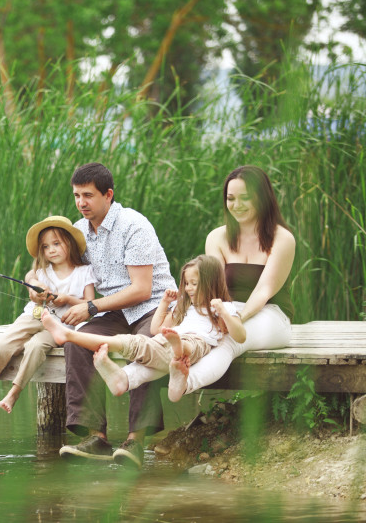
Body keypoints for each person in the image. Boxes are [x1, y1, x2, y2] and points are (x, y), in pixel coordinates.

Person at [28, 162, 176, 469]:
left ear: (108, 195)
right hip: (114, 311)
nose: (81, 203)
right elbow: (62, 270)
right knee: (78, 342)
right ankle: (95, 436)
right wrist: (41, 287)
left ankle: (135, 441)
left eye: (88, 195)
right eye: (76, 196)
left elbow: (142, 289)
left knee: (146, 344)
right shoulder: (78, 231)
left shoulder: (133, 225)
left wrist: (91, 307)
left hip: (152, 307)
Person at [120, 165, 296, 401]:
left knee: (227, 339)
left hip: (270, 315)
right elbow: (211, 287)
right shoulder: (217, 237)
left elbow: (264, 290)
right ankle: (126, 377)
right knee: (183, 337)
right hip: (226, 310)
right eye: (231, 199)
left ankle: (185, 382)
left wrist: (234, 319)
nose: (237, 205)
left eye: (245, 198)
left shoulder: (282, 238)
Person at [41, 255, 246, 403]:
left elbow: (240, 336)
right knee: (147, 343)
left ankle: (69, 334)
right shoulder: (184, 306)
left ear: (211, 283)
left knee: (159, 344)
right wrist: (165, 303)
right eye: (187, 283)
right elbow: (157, 328)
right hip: (168, 341)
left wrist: (224, 311)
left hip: (196, 344)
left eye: (195, 283)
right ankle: (129, 376)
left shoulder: (222, 307)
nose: (189, 288)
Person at [0, 216, 96, 413]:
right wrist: (38, 291)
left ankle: (14, 392)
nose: (51, 250)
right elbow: (31, 282)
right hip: (34, 316)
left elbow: (89, 304)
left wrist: (67, 299)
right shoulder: (41, 272)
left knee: (35, 346)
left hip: (60, 325)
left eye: (57, 244)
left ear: (70, 243)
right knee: (2, 343)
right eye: (46, 247)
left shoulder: (84, 271)